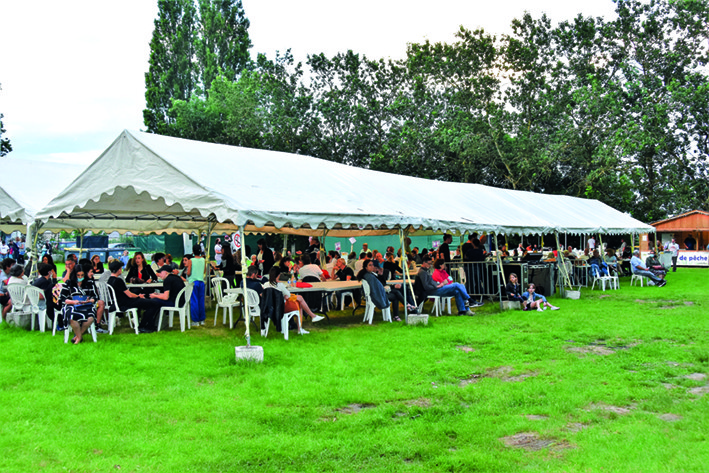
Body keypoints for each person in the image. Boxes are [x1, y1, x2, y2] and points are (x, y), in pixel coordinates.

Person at [107, 260, 161, 333]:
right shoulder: (118, 280)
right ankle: (144, 325)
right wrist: (139, 296)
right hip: (126, 302)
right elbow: (129, 294)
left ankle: (145, 324)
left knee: (148, 303)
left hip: (119, 302)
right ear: (118, 269)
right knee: (154, 303)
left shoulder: (109, 280)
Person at [59, 265, 100, 344]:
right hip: (72, 305)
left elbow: (95, 297)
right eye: (78, 275)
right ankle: (79, 337)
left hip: (86, 305)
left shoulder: (89, 283)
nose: (80, 277)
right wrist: (73, 302)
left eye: (82, 275)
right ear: (75, 275)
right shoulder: (69, 283)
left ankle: (77, 336)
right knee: (71, 315)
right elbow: (62, 298)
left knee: (90, 317)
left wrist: (89, 301)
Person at [186, 244, 207, 326]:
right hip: (201, 282)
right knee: (201, 301)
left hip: (193, 282)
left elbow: (188, 272)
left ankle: (195, 320)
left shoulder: (191, 260)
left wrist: (187, 274)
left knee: (194, 301)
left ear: (193, 251)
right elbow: (204, 271)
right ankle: (202, 319)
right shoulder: (203, 260)